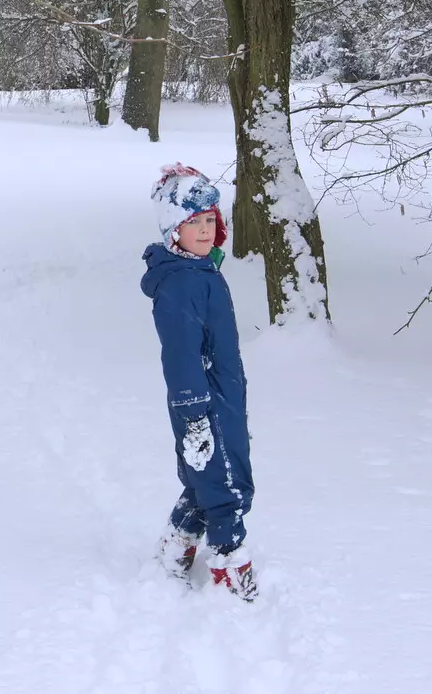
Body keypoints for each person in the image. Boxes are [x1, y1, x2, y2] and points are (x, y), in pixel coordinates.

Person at [142, 163, 257, 600]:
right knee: (229, 487)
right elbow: (180, 357)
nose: (206, 230)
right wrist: (194, 416)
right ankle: (232, 579)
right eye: (195, 222)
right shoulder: (181, 286)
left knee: (204, 480)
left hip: (222, 395)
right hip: (204, 402)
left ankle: (175, 552)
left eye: (211, 219)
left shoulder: (202, 273)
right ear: (175, 229)